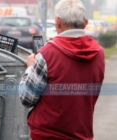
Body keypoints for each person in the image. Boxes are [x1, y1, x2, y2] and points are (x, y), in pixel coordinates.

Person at [19, 0, 105, 140]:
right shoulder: (99, 54)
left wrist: (30, 68)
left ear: (58, 22)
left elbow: (27, 98)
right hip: (82, 134)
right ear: (85, 23)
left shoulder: (47, 53)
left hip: (46, 135)